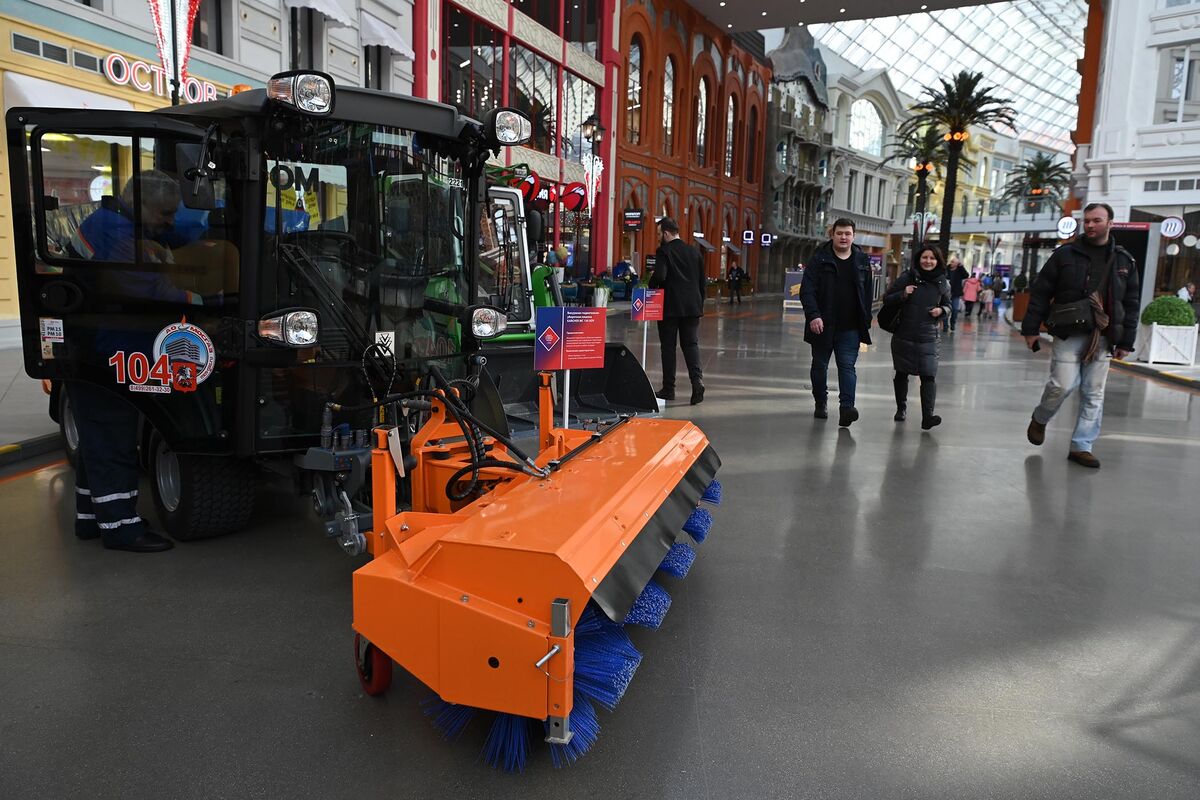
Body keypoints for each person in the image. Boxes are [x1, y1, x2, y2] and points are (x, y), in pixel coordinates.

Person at [67, 171, 198, 552]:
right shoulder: (118, 236)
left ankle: (92, 518)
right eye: (165, 213)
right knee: (113, 437)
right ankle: (122, 528)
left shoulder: (116, 221)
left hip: (91, 348)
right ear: (140, 205)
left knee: (97, 439)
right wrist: (211, 301)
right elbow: (150, 290)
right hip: (101, 352)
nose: (169, 221)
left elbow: (169, 235)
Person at [1022, 202, 1141, 469]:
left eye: (1096, 220)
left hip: (1104, 335)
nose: (1090, 225)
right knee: (1062, 385)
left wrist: (1126, 341)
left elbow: (1131, 303)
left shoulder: (1124, 260)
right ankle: (1040, 418)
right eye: (1086, 220)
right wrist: (1030, 330)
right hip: (1068, 332)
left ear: (1110, 223)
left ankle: (1082, 446)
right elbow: (1041, 292)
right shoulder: (1065, 255)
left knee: (1093, 393)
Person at [800, 218, 874, 426]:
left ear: (853, 236)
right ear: (832, 234)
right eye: (839, 233)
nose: (843, 237)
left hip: (850, 327)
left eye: (847, 233)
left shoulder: (861, 260)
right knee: (819, 366)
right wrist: (814, 315)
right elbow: (807, 289)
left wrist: (865, 320)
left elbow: (867, 293)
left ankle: (846, 409)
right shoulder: (819, 258)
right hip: (823, 325)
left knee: (847, 367)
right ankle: (820, 401)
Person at [882, 245, 951, 429]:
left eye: (932, 258)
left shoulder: (942, 282)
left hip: (928, 336)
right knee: (902, 373)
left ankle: (927, 416)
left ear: (938, 261)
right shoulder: (907, 277)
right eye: (924, 257)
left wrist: (941, 310)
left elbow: (949, 305)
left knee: (929, 376)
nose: (928, 261)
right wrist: (904, 293)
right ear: (919, 259)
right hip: (904, 333)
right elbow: (887, 299)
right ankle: (901, 408)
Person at [649, 217, 706, 404]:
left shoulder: (664, 251)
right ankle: (697, 382)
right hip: (692, 307)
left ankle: (669, 389)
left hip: (670, 307)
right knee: (691, 345)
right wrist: (699, 304)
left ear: (666, 233)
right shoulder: (694, 252)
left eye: (659, 234)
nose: (658, 237)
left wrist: (651, 284)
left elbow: (660, 275)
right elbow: (701, 283)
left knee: (668, 347)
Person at [944, 257, 969, 333]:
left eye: (953, 262)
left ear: (957, 264)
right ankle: (945, 325)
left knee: (955, 309)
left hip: (955, 293)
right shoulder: (946, 269)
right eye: (951, 261)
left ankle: (952, 323)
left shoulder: (959, 270)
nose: (951, 263)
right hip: (946, 293)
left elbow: (966, 275)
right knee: (945, 309)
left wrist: (961, 267)